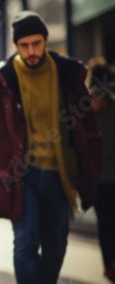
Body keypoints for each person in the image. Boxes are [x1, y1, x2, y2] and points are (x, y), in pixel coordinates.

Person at [0, 11, 101, 284]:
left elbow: (89, 129)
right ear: (16, 46)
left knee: (56, 244)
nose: (31, 51)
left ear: (46, 40)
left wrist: (91, 169)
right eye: (24, 45)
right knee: (26, 243)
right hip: (22, 176)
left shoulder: (69, 72)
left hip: (60, 174)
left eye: (37, 43)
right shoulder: (2, 80)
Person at [88, 60, 115, 281]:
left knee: (107, 225)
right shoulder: (88, 115)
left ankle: (110, 264)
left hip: (106, 180)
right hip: (100, 182)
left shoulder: (106, 114)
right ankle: (109, 265)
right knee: (105, 225)